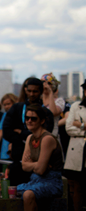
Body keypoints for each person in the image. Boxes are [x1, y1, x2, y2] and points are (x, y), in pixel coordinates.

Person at [3, 77, 55, 186]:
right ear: (25, 90)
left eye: (35, 91)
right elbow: (6, 132)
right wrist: (27, 137)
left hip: (39, 163)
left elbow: (45, 134)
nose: (31, 94)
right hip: (18, 161)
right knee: (15, 193)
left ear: (40, 92)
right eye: (29, 91)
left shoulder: (46, 112)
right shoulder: (16, 108)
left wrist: (21, 133)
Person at [17, 103, 65, 211]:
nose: (29, 121)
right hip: (34, 180)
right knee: (12, 190)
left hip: (52, 182)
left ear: (42, 121)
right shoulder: (30, 138)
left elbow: (40, 170)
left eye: (33, 118)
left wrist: (32, 164)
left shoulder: (47, 139)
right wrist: (37, 164)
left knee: (28, 194)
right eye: (27, 118)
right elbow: (24, 166)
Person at [64, 79, 86, 211]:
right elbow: (68, 128)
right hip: (77, 149)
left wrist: (80, 124)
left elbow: (74, 126)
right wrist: (84, 128)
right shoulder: (76, 106)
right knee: (76, 185)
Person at [41, 73, 65, 138]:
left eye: (49, 83)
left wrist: (50, 92)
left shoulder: (59, 101)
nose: (45, 85)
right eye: (43, 82)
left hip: (52, 135)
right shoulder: (38, 100)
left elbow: (52, 112)